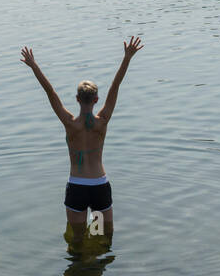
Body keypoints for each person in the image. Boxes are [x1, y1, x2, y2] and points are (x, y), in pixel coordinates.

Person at [20, 37, 143, 243]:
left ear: (77, 99)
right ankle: (94, 269)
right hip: (99, 186)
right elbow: (116, 86)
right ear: (96, 100)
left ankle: (79, 266)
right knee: (99, 237)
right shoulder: (102, 121)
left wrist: (34, 66)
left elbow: (50, 92)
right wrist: (127, 58)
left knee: (76, 240)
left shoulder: (70, 124)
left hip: (77, 186)